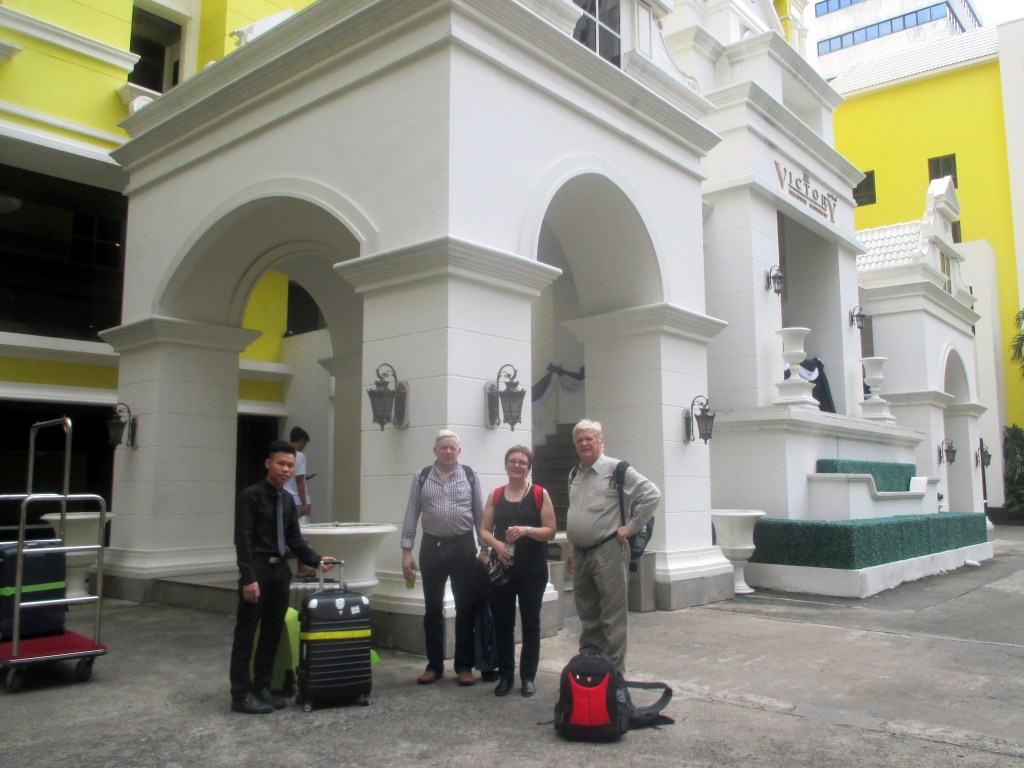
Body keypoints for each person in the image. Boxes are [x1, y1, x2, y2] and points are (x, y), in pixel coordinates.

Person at [229, 439, 334, 714]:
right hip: (258, 570)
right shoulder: (250, 496)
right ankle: (240, 694)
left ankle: (262, 687)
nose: (286, 469)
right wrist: (248, 577)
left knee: (272, 631)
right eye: (281, 464)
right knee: (246, 633)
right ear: (268, 464)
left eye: (290, 465)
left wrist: (316, 560)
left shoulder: (287, 501)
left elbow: (294, 539)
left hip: (280, 572)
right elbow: (243, 540)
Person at [565, 419, 660, 676]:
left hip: (608, 551)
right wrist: (572, 548)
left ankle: (614, 677)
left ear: (601, 441)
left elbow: (652, 494)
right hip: (581, 553)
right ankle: (590, 669)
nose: (584, 443)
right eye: (579, 440)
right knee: (588, 615)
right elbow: (577, 513)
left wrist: (631, 527)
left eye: (589, 439)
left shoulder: (617, 469)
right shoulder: (574, 474)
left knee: (612, 617)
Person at [400, 429, 485, 686]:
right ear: (435, 450)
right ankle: (434, 665)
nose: (448, 452)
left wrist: (485, 549)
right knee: (433, 608)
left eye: (452, 448)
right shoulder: (422, 476)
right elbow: (411, 513)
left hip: (464, 548)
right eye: (443, 447)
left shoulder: (470, 475)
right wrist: (406, 552)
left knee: (465, 608)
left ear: (459, 451)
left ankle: (464, 667)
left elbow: (480, 515)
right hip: (431, 548)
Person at [478, 445, 556, 697]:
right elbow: (484, 529)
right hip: (503, 567)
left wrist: (526, 531)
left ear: (528, 467)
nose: (517, 465)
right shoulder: (496, 495)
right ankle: (505, 676)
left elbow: (551, 531)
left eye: (522, 462)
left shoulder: (539, 494)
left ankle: (528, 677)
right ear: (506, 465)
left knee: (531, 622)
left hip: (533, 567)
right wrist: (497, 544)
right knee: (503, 623)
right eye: (513, 461)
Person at [283, 426, 315, 578]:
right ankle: (301, 567)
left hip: (284, 496)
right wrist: (305, 503)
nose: (304, 447)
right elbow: (299, 480)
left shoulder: (282, 455)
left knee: (285, 531)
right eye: (304, 443)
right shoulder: (299, 456)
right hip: (296, 500)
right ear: (301, 440)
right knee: (301, 534)